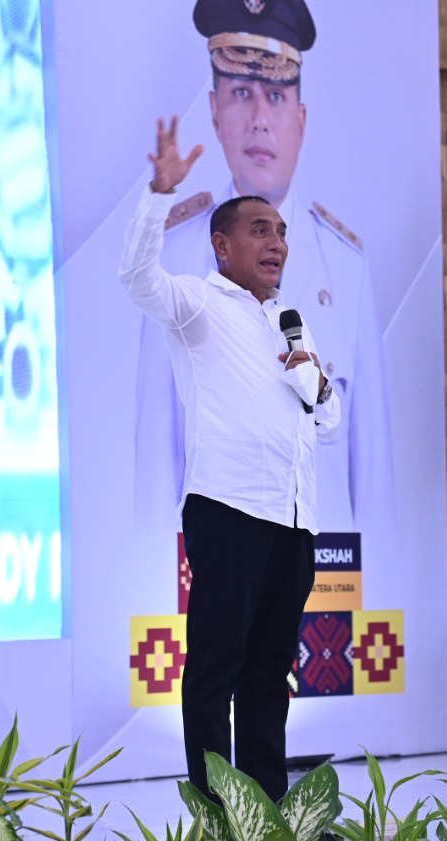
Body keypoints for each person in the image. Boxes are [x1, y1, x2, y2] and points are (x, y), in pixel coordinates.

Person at [120, 116, 341, 802]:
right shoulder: (199, 302)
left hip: (294, 521)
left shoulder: (288, 320)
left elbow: (328, 423)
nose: (276, 243)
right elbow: (136, 277)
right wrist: (157, 196)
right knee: (216, 667)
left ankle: (268, 813)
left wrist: (317, 380)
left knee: (271, 670)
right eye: (259, 231)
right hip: (229, 511)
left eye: (280, 233)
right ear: (221, 246)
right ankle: (219, 813)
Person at [135, 0, 393, 543]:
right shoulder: (180, 256)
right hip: (223, 533)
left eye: (275, 96)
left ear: (300, 119)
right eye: (240, 93)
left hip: (317, 550)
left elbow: (370, 469)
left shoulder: (347, 267)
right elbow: (157, 452)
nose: (259, 117)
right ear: (214, 111)